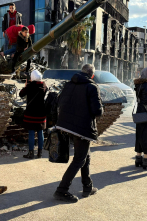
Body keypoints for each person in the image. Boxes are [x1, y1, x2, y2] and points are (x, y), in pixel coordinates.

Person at [53, 64, 103, 203]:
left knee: (85, 156)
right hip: (82, 128)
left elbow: (59, 102)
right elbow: (97, 111)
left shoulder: (68, 84)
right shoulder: (92, 87)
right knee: (79, 159)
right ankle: (61, 190)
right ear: (92, 75)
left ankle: (88, 186)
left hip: (66, 125)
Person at [19, 70, 47, 159]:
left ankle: (31, 153)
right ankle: (40, 153)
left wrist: (26, 86)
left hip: (31, 113)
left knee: (31, 132)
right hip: (41, 113)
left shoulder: (30, 86)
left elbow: (21, 94)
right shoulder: (44, 85)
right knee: (40, 132)